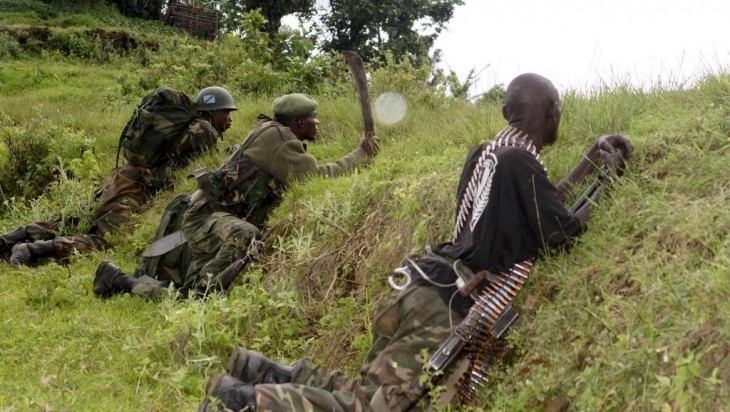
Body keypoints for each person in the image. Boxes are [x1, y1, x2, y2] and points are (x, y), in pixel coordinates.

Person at [198, 73, 633, 411]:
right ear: (554, 114)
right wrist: (610, 176)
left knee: (368, 391)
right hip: (447, 306)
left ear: (505, 113)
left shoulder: (487, 154)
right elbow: (563, 233)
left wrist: (590, 158)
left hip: (421, 285)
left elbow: (538, 201)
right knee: (380, 406)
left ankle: (262, 372)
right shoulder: (520, 162)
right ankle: (241, 402)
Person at [92, 93, 378, 299]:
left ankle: (141, 283)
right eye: (314, 118)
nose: (318, 123)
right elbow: (316, 178)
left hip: (209, 214)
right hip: (206, 217)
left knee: (242, 236)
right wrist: (360, 154)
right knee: (246, 235)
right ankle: (196, 294)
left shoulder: (271, 131)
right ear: (300, 121)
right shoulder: (279, 140)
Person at [1, 86, 237, 266]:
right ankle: (33, 251)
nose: (229, 119)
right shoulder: (204, 130)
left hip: (119, 176)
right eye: (226, 113)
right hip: (134, 186)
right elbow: (203, 166)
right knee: (105, 240)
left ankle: (11, 239)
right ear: (211, 112)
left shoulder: (186, 125)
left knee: (77, 221)